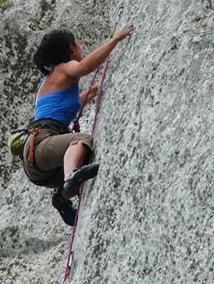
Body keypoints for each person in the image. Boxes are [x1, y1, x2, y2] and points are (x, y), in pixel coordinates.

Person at [22, 24, 133, 226]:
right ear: (72, 48)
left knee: (85, 156)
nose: (81, 47)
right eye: (79, 44)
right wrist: (116, 39)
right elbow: (84, 68)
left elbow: (66, 106)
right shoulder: (64, 68)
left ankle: (62, 197)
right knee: (83, 140)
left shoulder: (50, 81)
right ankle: (70, 177)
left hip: (41, 164)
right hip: (40, 143)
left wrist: (93, 92)